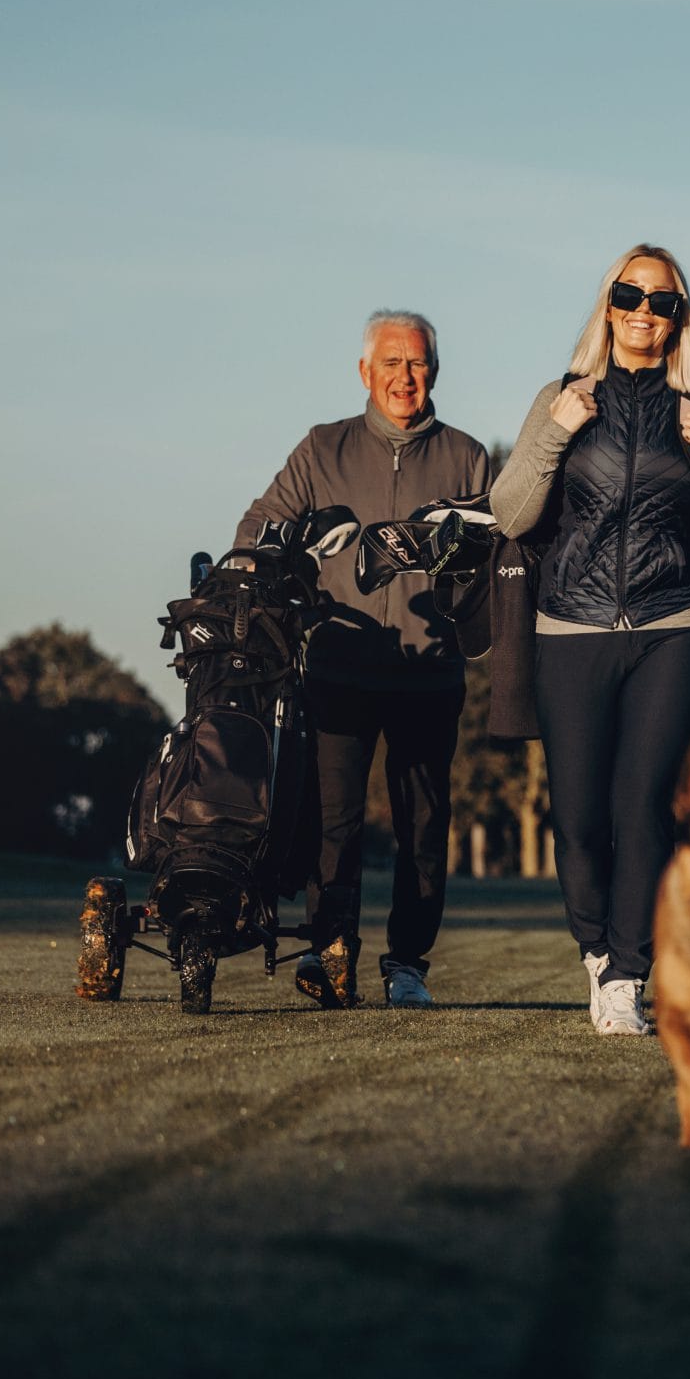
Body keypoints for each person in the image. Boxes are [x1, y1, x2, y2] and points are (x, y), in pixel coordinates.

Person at [489, 244, 690, 1036]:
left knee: (641, 802)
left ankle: (627, 977)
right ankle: (595, 950)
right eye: (630, 295)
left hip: (673, 628)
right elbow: (511, 515)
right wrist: (554, 434)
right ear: (608, 304)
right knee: (576, 814)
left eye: (662, 301)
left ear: (680, 318)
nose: (645, 311)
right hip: (571, 626)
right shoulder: (562, 396)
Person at [237, 310, 491, 1010]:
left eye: (416, 364)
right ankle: (330, 950)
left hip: (428, 674)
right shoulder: (322, 449)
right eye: (391, 363)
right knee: (334, 824)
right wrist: (260, 566)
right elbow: (259, 526)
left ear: (433, 372)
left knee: (423, 828)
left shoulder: (468, 456)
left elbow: (491, 564)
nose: (404, 377)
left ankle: (407, 963)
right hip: (339, 667)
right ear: (364, 372)